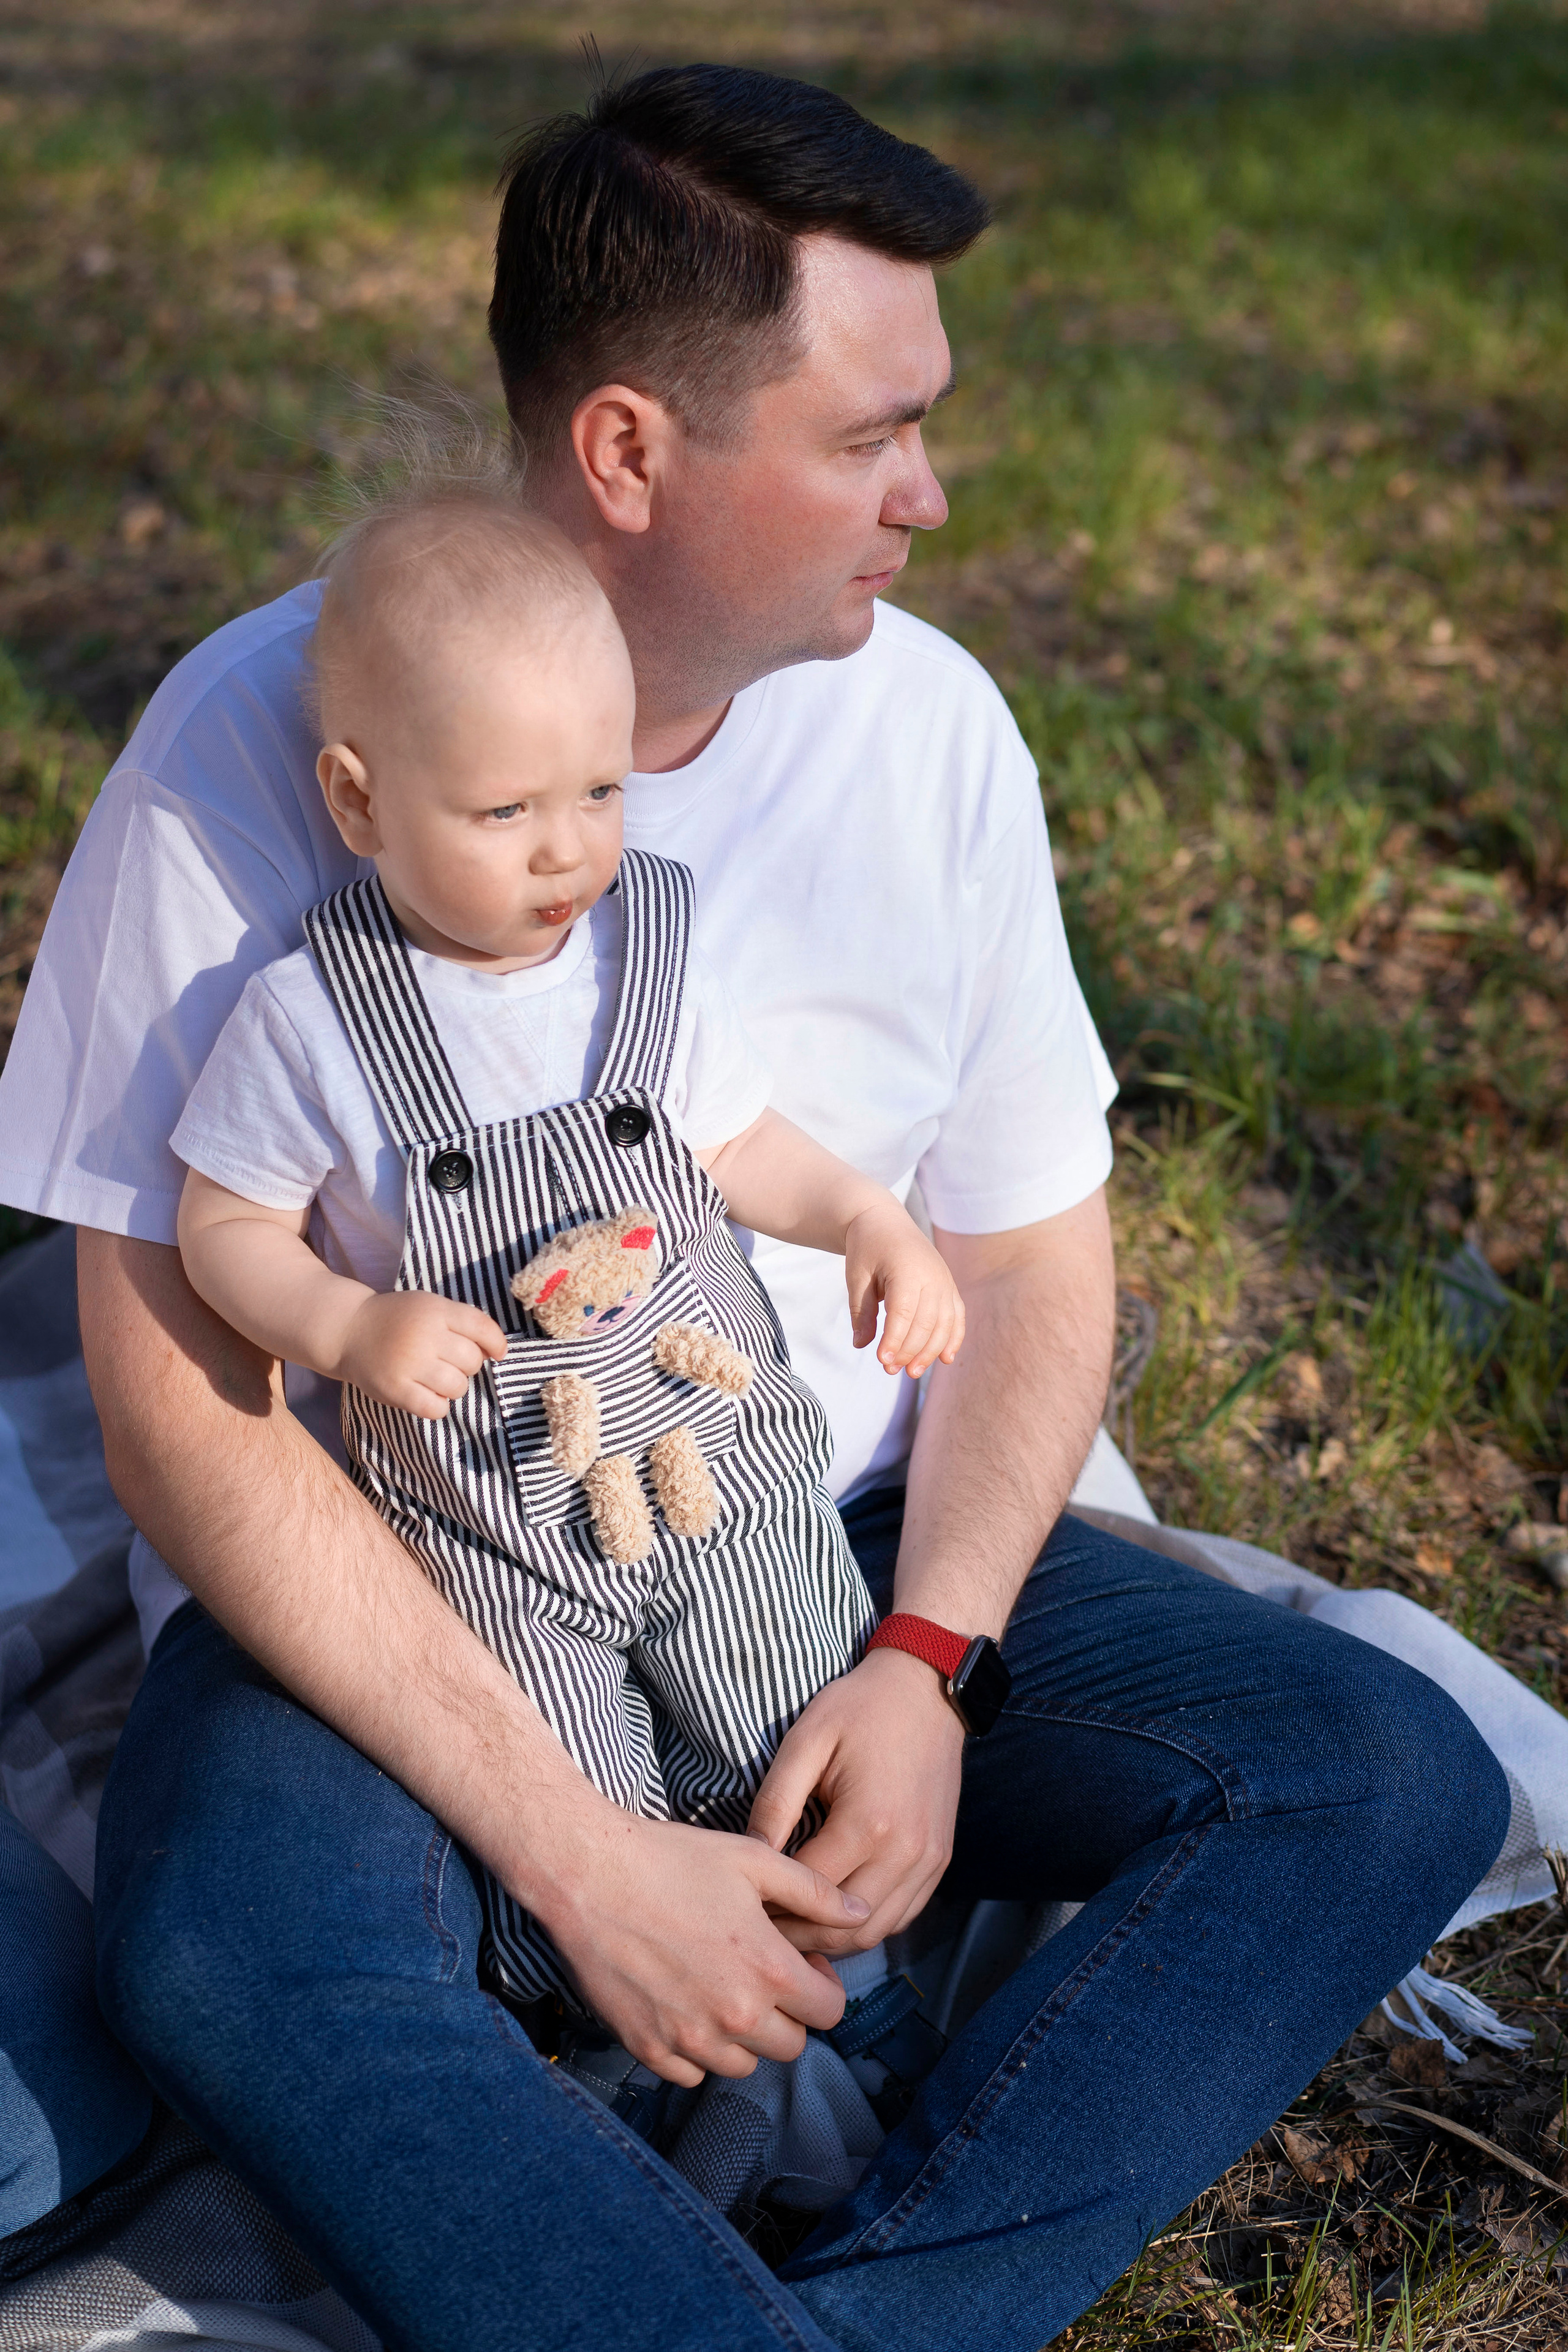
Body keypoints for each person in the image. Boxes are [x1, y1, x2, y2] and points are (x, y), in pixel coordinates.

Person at [0, 61, 1508, 2352]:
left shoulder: (936, 737)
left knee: (1382, 1769)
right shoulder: (249, 755)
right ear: (630, 453)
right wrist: (572, 1851)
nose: (931, 491)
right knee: (229, 1947)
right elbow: (181, 1408)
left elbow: (1024, 1253)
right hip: (429, 1580)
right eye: (866, 436)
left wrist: (930, 1665)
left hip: (838, 1546)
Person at [172, 480, 960, 2008]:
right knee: (570, 1815)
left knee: (793, 1744)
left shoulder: (643, 952)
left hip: (718, 1477)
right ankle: (603, 2049)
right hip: (490, 1535)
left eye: (597, 794)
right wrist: (339, 1327)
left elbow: (737, 1150)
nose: (562, 853)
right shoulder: (312, 1021)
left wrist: (869, 1218)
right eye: (502, 812)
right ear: (357, 802)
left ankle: (836, 2012)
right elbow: (223, 1227)